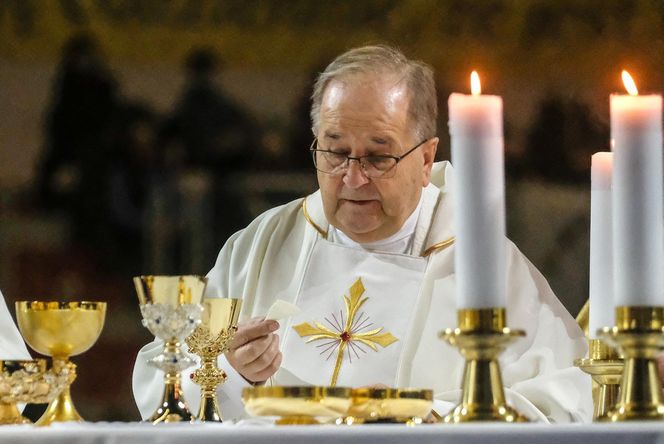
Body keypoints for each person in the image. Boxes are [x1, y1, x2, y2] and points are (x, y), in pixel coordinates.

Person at [133, 45, 592, 423]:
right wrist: (228, 372)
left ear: (426, 158)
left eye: (378, 157)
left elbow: (570, 392)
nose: (353, 178)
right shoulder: (261, 245)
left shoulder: (483, 260)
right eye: (335, 153)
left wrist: (441, 418)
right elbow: (161, 382)